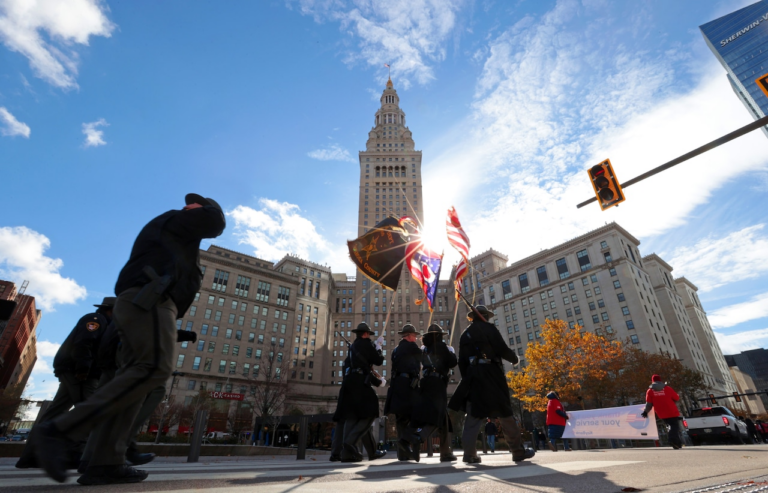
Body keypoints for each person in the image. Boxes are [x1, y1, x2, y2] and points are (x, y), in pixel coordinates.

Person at [31, 194, 225, 485]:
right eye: (194, 205)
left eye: (197, 204)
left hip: (150, 302)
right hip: (151, 297)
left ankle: (105, 462)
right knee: (152, 369)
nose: (192, 206)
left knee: (137, 386)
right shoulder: (176, 219)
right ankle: (61, 431)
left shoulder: (178, 236)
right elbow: (215, 223)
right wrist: (211, 208)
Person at [15, 298, 115, 470]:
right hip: (80, 372)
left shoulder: (104, 324)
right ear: (111, 310)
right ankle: (78, 453)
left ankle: (30, 456)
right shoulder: (96, 320)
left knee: (55, 412)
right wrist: (83, 368)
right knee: (89, 411)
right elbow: (84, 342)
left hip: (77, 371)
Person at [448, 305, 535, 464]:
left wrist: (470, 376)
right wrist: (515, 359)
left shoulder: (464, 334)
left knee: (473, 415)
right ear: (485, 316)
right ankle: (517, 451)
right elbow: (502, 349)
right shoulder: (489, 329)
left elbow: (462, 362)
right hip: (492, 374)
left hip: (473, 377)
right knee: (505, 413)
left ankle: (469, 454)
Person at [335, 323, 385, 462]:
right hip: (359, 382)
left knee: (352, 416)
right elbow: (379, 361)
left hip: (349, 382)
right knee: (371, 411)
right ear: (365, 334)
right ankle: (349, 443)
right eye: (368, 334)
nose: (369, 336)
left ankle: (347, 454)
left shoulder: (354, 346)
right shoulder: (365, 344)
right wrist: (379, 348)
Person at [411, 323, 458, 462]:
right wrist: (451, 352)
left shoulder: (424, 349)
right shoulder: (441, 347)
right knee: (437, 415)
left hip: (426, 383)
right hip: (437, 384)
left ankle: (445, 453)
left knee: (442, 416)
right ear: (438, 336)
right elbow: (453, 362)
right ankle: (419, 437)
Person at [384, 324, 423, 461]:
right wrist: (423, 346)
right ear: (409, 336)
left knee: (401, 419)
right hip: (408, 386)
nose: (416, 338)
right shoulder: (412, 347)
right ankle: (407, 439)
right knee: (417, 415)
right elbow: (423, 358)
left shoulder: (395, 350)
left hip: (396, 386)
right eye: (415, 336)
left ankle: (403, 454)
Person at [642, 374, 682, 449]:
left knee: (670, 426)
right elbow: (676, 398)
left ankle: (677, 443)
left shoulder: (650, 391)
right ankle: (672, 440)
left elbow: (649, 404)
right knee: (674, 426)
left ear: (652, 381)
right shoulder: (668, 388)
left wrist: (645, 412)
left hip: (661, 412)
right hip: (671, 410)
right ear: (660, 380)